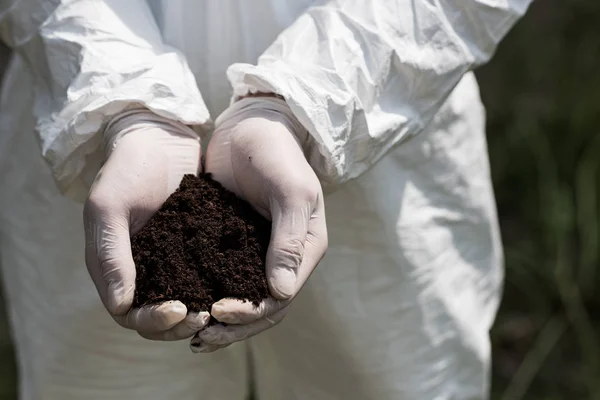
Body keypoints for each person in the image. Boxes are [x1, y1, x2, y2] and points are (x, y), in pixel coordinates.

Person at [0, 0, 531, 399]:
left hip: (378, 117)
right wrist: (125, 105)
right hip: (94, 135)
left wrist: (301, 103)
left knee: (394, 375)